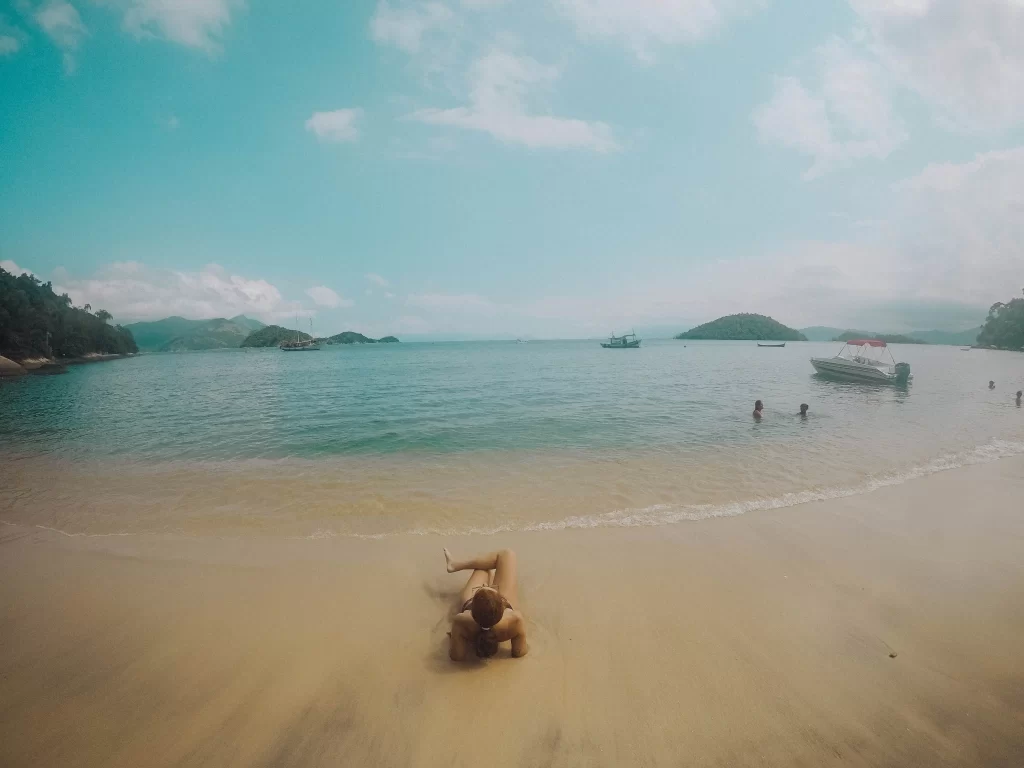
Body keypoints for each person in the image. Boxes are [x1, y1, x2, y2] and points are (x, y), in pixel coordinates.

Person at [444, 548, 528, 661]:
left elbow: (456, 656)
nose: (484, 585)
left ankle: (456, 566)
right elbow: (520, 652)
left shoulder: (461, 620)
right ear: (502, 608)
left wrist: (455, 636)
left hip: (477, 609)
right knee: (508, 554)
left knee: (482, 569)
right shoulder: (514, 619)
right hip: (500, 611)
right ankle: (457, 566)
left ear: (472, 611)